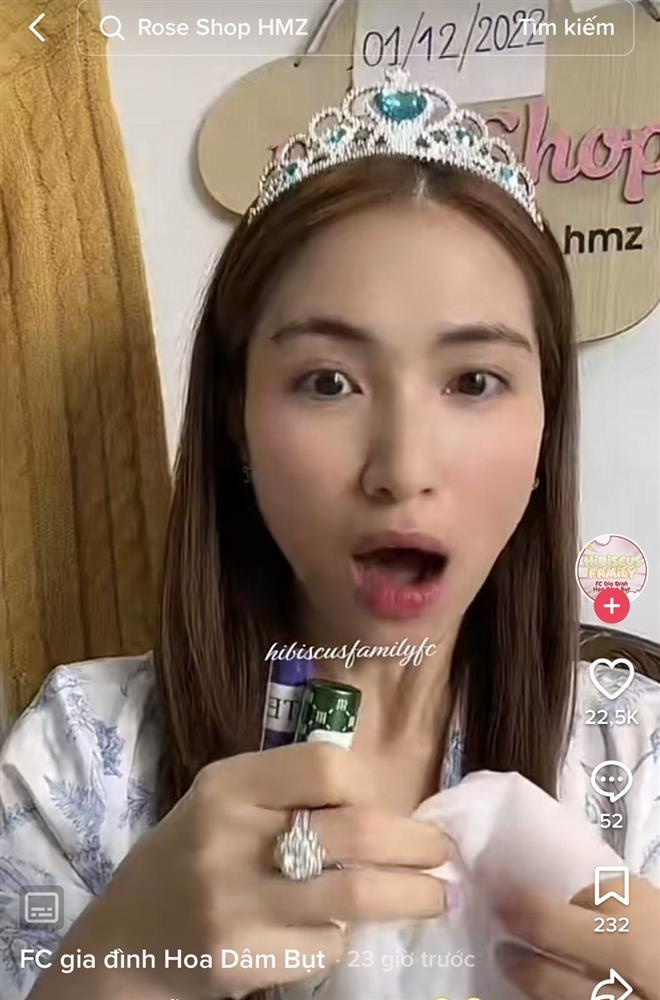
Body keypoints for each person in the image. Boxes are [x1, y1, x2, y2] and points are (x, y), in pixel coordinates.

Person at [1, 66, 659, 1000]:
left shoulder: (638, 759)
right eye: (328, 382)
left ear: (547, 431)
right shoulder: (76, 759)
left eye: (474, 382)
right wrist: (117, 970)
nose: (401, 467)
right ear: (235, 421)